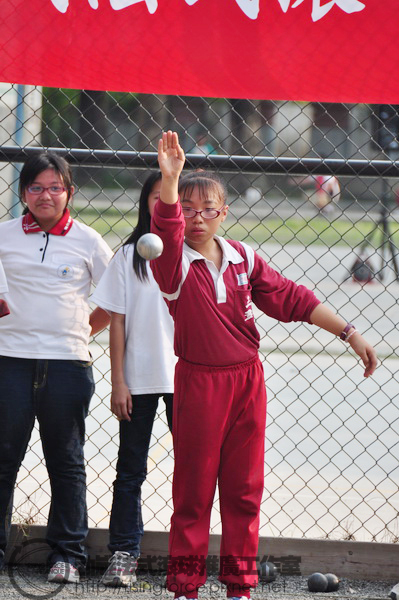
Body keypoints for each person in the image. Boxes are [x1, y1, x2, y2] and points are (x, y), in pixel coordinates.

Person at [150, 131, 377, 600]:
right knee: (192, 496)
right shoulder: (172, 263)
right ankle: (185, 588)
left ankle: (240, 587)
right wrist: (170, 178)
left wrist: (350, 333)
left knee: (244, 490)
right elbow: (168, 229)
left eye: (208, 209)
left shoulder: (243, 258)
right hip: (199, 382)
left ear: (223, 212)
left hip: (247, 381)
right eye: (188, 209)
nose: (197, 218)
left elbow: (294, 298)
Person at [0, 152, 113, 583]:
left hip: (67, 366)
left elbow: (116, 297)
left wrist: (84, 328)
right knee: (3, 459)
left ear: (69, 192)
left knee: (65, 462)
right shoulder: (4, 235)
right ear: (22, 192)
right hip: (8, 362)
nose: (45, 195)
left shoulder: (87, 240)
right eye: (35, 187)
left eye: (54, 187)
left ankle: (67, 554)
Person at [91, 172, 176, 587]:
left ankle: (187, 554)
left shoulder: (196, 252)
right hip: (138, 379)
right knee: (130, 470)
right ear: (145, 204)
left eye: (169, 200)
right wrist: (118, 382)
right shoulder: (128, 256)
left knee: (196, 469)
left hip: (187, 378)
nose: (161, 206)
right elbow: (116, 323)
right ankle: (124, 554)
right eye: (155, 199)